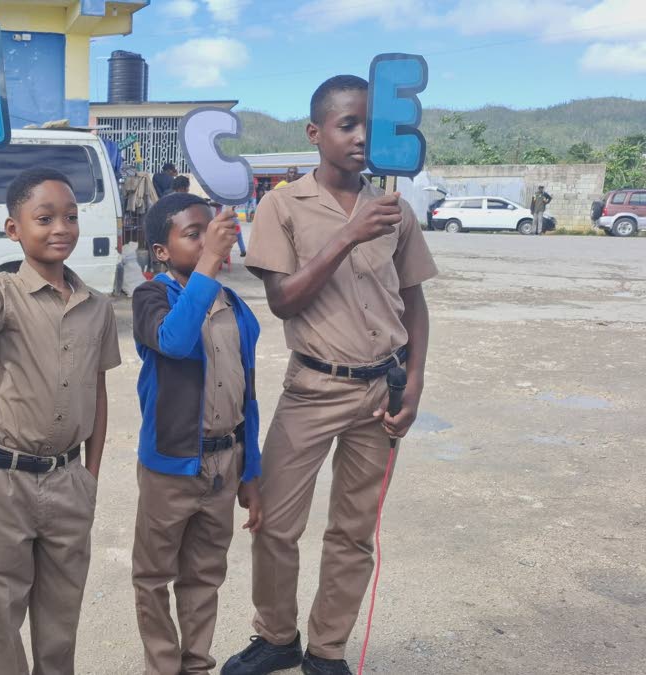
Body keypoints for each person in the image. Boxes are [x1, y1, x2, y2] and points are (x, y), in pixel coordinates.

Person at [222, 74, 436, 675]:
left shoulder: (394, 209)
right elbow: (283, 300)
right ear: (316, 133)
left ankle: (327, 649)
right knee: (274, 523)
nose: (362, 137)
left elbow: (414, 302)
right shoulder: (282, 205)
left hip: (381, 389)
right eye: (348, 124)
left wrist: (414, 382)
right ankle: (276, 636)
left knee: (352, 531)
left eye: (372, 125)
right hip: (313, 387)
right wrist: (346, 237)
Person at [0, 158, 121, 675]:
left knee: (62, 613)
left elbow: (98, 393)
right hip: (6, 480)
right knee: (3, 607)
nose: (61, 227)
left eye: (71, 216)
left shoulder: (97, 306)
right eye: (45, 217)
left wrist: (91, 474)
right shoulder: (2, 293)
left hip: (68, 479)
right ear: (14, 229)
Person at [131, 193, 264, 674]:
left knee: (204, 575)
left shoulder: (233, 305)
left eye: (211, 231)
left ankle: (196, 665)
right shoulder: (151, 297)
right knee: (153, 576)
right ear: (161, 251)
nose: (209, 240)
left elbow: (247, 393)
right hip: (172, 466)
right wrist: (210, 261)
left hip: (224, 464)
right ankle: (164, 667)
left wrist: (251, 471)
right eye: (194, 234)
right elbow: (174, 340)